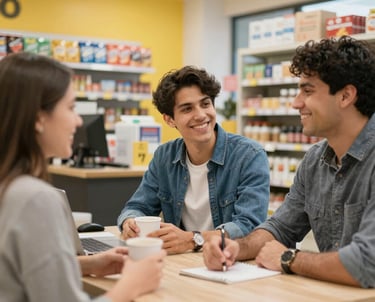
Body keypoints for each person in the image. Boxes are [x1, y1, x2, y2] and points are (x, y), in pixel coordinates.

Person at [203, 35, 375, 288]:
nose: (296, 103)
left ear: (345, 96)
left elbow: (367, 263)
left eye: (307, 90)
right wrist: (234, 248)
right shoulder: (315, 160)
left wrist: (289, 258)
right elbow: (280, 228)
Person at [0, 52, 165, 302]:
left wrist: (85, 265)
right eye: (71, 108)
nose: (78, 121)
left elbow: (16, 272)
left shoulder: (9, 187)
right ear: (38, 118)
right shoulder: (35, 198)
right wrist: (131, 285)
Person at [117, 65, 270, 254]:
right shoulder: (164, 157)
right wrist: (129, 223)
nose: (200, 115)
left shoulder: (249, 155)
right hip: (183, 262)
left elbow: (249, 226)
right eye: (187, 108)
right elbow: (137, 206)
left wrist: (193, 239)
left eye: (205, 104)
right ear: (169, 120)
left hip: (231, 263)